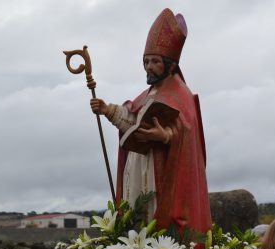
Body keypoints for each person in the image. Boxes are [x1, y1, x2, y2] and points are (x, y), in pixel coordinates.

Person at [90, 8, 211, 234]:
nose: (148, 66)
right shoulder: (146, 95)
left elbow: (187, 134)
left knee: (153, 219)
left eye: (155, 61)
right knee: (135, 219)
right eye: (146, 61)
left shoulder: (181, 94)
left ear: (170, 64)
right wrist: (107, 110)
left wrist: (165, 136)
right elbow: (132, 121)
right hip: (136, 167)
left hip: (159, 171)